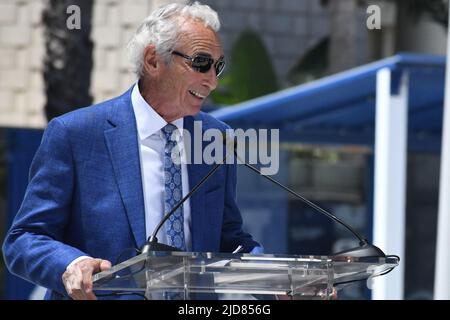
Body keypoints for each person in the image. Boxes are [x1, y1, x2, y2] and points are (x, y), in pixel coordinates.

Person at [2, 2, 262, 300]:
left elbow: (229, 239)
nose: (212, 81)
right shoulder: (75, 134)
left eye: (218, 66)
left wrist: (279, 281)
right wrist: (72, 264)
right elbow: (25, 239)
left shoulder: (216, 137)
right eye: (200, 63)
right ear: (153, 60)